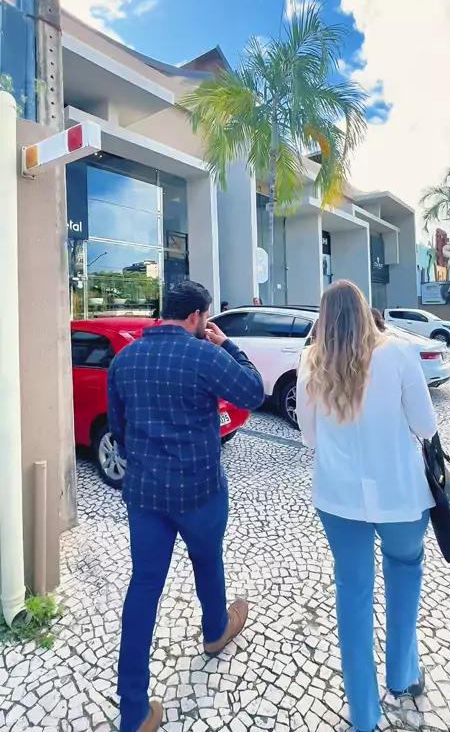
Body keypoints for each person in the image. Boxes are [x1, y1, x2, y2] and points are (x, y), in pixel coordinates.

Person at [108, 280, 265, 732]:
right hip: (199, 491)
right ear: (197, 316)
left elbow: (118, 429)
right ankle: (215, 631)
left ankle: (134, 710)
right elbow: (254, 392)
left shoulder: (124, 359)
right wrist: (227, 344)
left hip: (145, 496)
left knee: (144, 587)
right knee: (207, 561)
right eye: (206, 318)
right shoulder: (204, 355)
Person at [296, 280, 437, 732]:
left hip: (338, 498)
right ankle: (403, 674)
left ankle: (363, 711)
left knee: (353, 593)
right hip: (400, 495)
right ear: (364, 311)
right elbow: (426, 425)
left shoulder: (311, 360)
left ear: (324, 317)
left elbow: (309, 437)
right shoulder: (398, 353)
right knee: (405, 573)